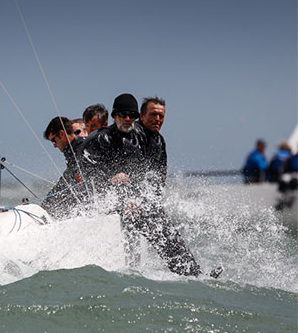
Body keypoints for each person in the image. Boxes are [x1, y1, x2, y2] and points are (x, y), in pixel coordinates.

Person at [82, 93, 203, 277]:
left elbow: (156, 180)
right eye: (123, 115)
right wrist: (110, 180)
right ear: (114, 116)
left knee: (161, 222)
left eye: (161, 116)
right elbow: (88, 171)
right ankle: (189, 273)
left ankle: (191, 273)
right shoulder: (103, 138)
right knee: (151, 218)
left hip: (132, 202)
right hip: (106, 201)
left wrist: (153, 202)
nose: (127, 119)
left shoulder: (155, 140)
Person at [42, 116, 86, 218]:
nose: (54, 145)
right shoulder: (72, 150)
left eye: (54, 141)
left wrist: (46, 206)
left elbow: (71, 179)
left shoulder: (81, 148)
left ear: (62, 134)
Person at [136, 96, 167, 195]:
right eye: (153, 114)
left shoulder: (160, 140)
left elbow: (161, 175)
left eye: (161, 116)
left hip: (147, 193)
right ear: (142, 116)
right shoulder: (132, 133)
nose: (157, 119)